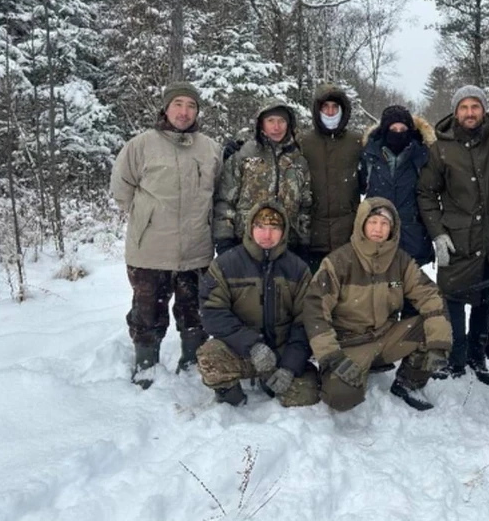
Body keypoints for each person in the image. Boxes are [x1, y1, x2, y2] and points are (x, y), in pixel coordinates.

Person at [110, 81, 222, 388]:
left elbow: (220, 193)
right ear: (166, 107)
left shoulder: (210, 148)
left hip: (197, 250)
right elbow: (122, 188)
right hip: (150, 251)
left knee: (195, 311)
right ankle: (146, 365)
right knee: (147, 312)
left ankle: (192, 361)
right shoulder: (142, 145)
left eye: (191, 106)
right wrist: (146, 218)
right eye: (178, 104)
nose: (184, 112)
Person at [302, 197, 452, 411]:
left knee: (432, 329)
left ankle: (408, 383)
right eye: (372, 222)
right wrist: (332, 358)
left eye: (384, 224)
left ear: (392, 228)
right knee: (340, 398)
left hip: (386, 337)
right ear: (361, 224)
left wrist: (439, 344)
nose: (378, 229)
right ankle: (351, 373)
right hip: (350, 344)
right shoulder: (338, 261)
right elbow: (315, 309)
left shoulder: (401, 261)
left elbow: (430, 296)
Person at [417, 85, 489, 384]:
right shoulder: (441, 148)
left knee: (484, 298)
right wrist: (437, 233)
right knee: (452, 297)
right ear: (455, 112)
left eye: (475, 106)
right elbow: (425, 192)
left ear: (484, 109)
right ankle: (455, 357)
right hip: (456, 238)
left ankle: (477, 357)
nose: (469, 113)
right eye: (463, 107)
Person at [195, 201, 319, 408]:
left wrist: (289, 366)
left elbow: (305, 322)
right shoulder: (226, 264)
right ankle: (229, 394)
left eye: (274, 228)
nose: (267, 235)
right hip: (241, 350)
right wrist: (252, 345)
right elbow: (212, 312)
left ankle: (272, 380)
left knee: (307, 394)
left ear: (284, 231)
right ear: (250, 228)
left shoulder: (298, 269)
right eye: (260, 227)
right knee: (210, 358)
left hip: (281, 352)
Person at [213, 99, 312, 255]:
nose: (276, 127)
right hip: (244, 244)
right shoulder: (243, 156)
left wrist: (304, 242)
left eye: (281, 121)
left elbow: (305, 208)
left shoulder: (299, 161)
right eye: (270, 120)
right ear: (261, 124)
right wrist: (224, 239)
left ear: (289, 125)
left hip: (287, 246)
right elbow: (226, 201)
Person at [360, 104, 435, 267]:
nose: (398, 133)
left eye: (403, 129)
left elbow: (432, 196)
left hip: (413, 239)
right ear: (385, 130)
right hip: (377, 239)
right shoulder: (369, 156)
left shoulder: (423, 156)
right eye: (393, 128)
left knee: (412, 289)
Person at [299, 83, 363, 271]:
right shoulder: (303, 141)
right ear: (317, 110)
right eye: (325, 107)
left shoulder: (357, 141)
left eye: (334, 107)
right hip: (313, 235)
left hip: (348, 234)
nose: (330, 111)